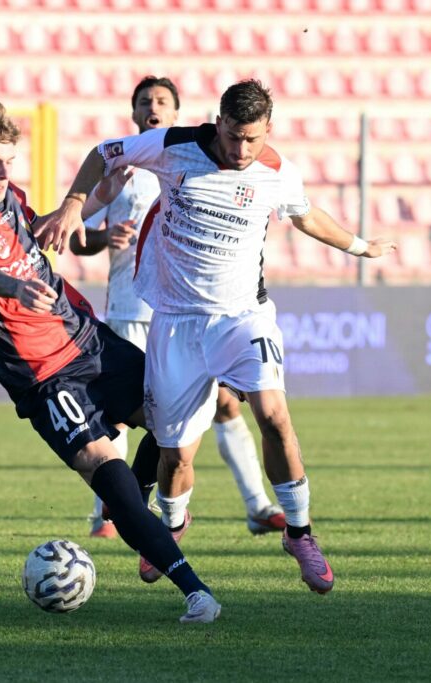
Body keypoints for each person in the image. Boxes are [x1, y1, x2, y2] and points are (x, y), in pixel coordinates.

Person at [38, 79, 397, 595]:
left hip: (242, 318)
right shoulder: (174, 146)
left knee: (272, 415)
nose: (240, 149)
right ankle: (173, 524)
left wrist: (360, 247)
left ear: (267, 130)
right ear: (218, 122)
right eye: (232, 136)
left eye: (251, 138)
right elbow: (103, 153)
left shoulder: (275, 170)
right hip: (177, 323)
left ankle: (300, 533)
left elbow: (307, 215)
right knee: (174, 455)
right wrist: (74, 205)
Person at [0, 101, 220, 623]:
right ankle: (195, 591)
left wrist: (89, 206)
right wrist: (14, 284)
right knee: (107, 473)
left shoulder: (12, 199)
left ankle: (139, 501)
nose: (2, 173)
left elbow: (40, 236)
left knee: (176, 415)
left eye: (9, 162)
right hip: (44, 376)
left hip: (89, 340)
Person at [71, 76, 286, 544]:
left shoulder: (187, 159)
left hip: (199, 312)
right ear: (134, 114)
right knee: (130, 413)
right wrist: (106, 238)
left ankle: (258, 505)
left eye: (162, 101)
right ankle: (108, 513)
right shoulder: (124, 174)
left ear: (177, 114)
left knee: (228, 404)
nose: (153, 106)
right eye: (144, 101)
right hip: (132, 305)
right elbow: (76, 236)